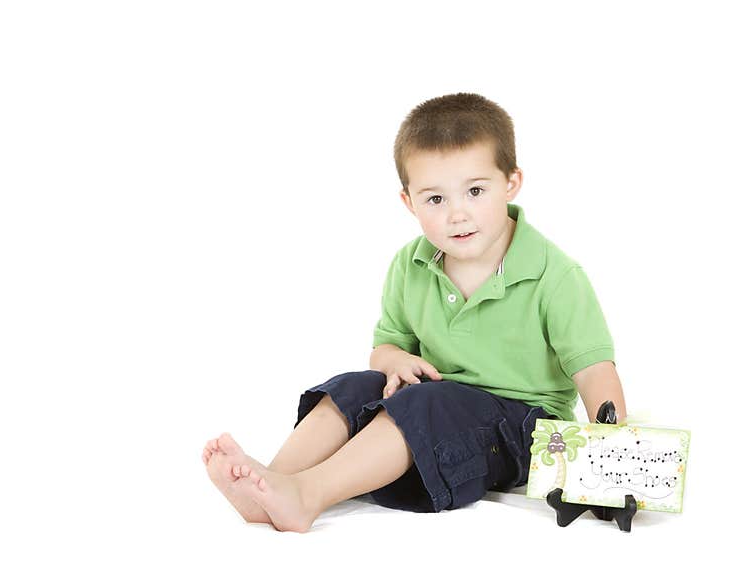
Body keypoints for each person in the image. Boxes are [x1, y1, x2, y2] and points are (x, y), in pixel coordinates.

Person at [202, 92, 627, 532]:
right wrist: (395, 361)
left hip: (525, 430)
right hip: (440, 407)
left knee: (424, 402)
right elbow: (386, 346)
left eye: (475, 191)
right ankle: (274, 480)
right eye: (435, 200)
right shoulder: (412, 264)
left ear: (511, 184)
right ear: (409, 202)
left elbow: (595, 372)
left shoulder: (554, 276)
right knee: (356, 386)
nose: (457, 214)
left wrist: (611, 460)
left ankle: (308, 495)